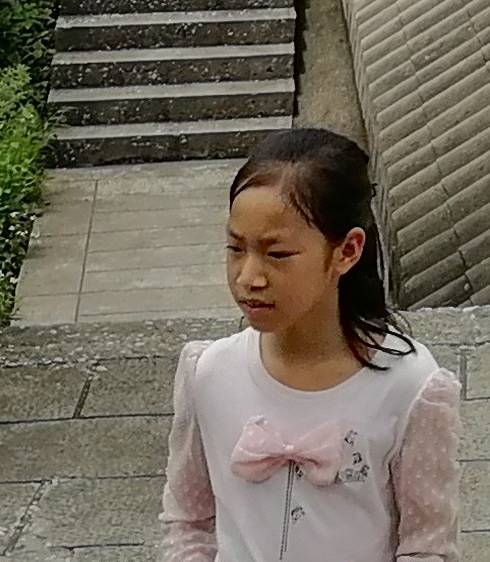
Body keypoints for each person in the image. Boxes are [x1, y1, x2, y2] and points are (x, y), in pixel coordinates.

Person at [159, 127, 460, 562]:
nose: (249, 277)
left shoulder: (411, 387)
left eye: (276, 254)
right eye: (235, 249)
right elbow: (188, 520)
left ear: (347, 250)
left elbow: (427, 546)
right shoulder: (208, 373)